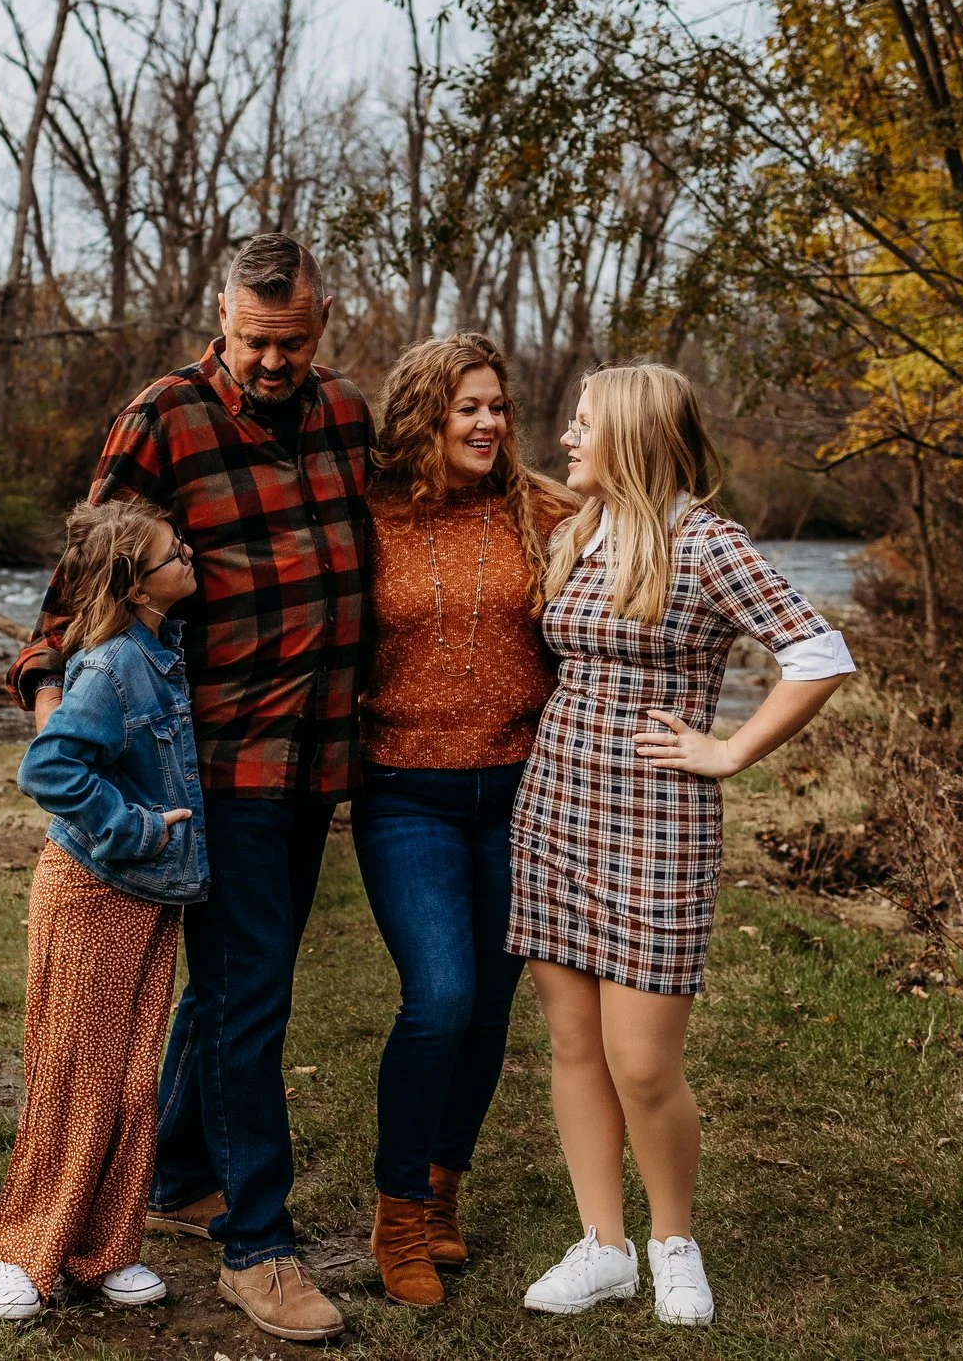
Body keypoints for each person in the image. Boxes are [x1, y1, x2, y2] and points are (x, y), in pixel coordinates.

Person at [9, 232, 369, 1344]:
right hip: (218, 766)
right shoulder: (164, 415)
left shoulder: (346, 415)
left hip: (317, 761)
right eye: (255, 341)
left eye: (292, 342)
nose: (272, 361)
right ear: (222, 320)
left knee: (226, 992)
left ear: (320, 324)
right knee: (250, 999)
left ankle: (171, 1171)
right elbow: (89, 571)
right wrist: (57, 709)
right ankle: (259, 1247)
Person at [509, 361, 854, 1327]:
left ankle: (673, 1244)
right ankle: (603, 1247)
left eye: (584, 424)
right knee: (575, 1046)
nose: (567, 438)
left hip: (658, 822)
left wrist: (733, 747)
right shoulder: (579, 532)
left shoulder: (707, 545)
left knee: (643, 1062)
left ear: (631, 433)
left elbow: (819, 652)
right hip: (556, 809)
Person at [354, 334, 572, 1307]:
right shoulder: (368, 517)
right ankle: (396, 1212)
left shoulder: (538, 507)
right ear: (422, 417)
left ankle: (444, 1192)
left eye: (495, 405)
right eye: (465, 408)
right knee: (437, 995)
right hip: (404, 789)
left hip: (519, 794)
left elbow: (645, 530)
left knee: (488, 1008)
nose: (486, 422)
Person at [0, 498, 209, 1321]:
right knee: (72, 1077)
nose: (188, 556)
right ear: (137, 584)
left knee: (127, 1084)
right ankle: (25, 1253)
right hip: (92, 891)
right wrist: (137, 828)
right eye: (172, 553)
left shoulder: (164, 647)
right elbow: (48, 769)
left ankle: (105, 1250)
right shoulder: (115, 664)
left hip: (147, 900)